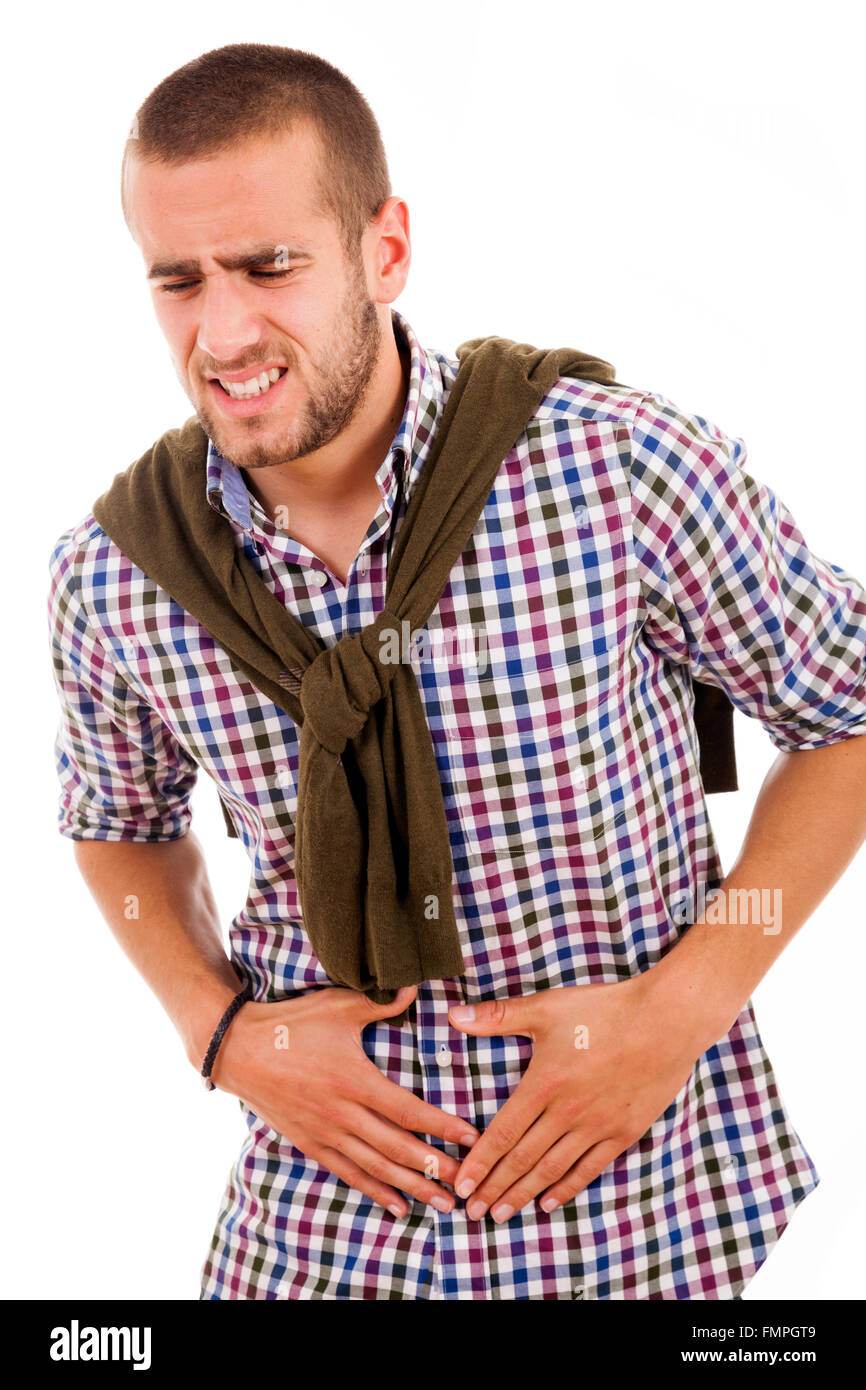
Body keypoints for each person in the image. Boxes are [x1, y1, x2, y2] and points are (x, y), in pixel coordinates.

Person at [46, 42, 866, 1301]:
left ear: (385, 250)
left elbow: (845, 715)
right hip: (326, 1226)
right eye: (178, 281)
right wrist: (220, 1034)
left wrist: (683, 1007)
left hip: (634, 1207)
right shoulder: (118, 574)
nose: (222, 330)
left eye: (270, 266)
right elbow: (118, 828)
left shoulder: (614, 471)